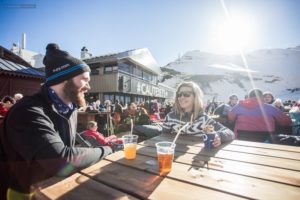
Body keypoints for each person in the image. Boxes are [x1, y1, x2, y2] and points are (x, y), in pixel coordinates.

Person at [0, 43, 120, 199]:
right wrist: (107, 148)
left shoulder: (69, 108)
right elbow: (60, 159)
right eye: (84, 80)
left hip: (54, 185)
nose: (88, 86)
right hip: (21, 193)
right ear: (64, 79)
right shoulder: (28, 111)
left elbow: (66, 149)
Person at [162, 81, 234, 147]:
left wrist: (219, 136)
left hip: (196, 157)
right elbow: (163, 137)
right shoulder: (170, 117)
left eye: (187, 94)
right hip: (174, 155)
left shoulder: (203, 119)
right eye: (179, 94)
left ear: (195, 97)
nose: (182, 97)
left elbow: (230, 133)